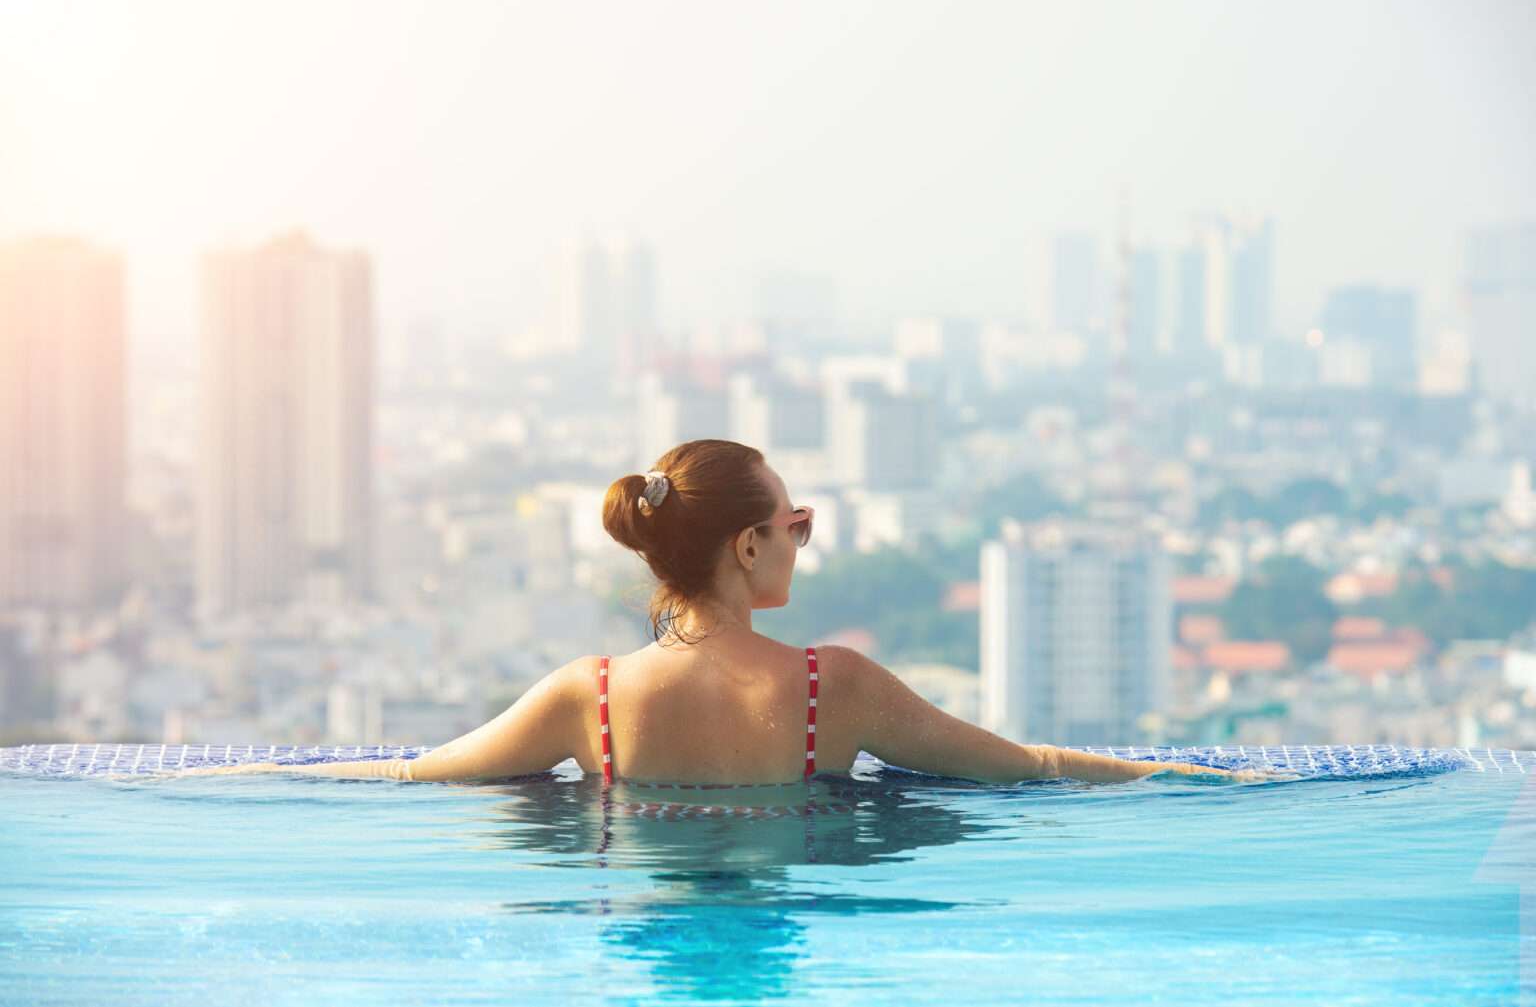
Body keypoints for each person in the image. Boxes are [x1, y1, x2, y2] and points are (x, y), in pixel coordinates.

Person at [187, 438, 1276, 785]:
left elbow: (407, 776)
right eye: (793, 522)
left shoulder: (587, 697)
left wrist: (235, 774)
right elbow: (1026, 768)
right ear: (748, 545)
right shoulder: (833, 689)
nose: (801, 538)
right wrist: (1196, 777)